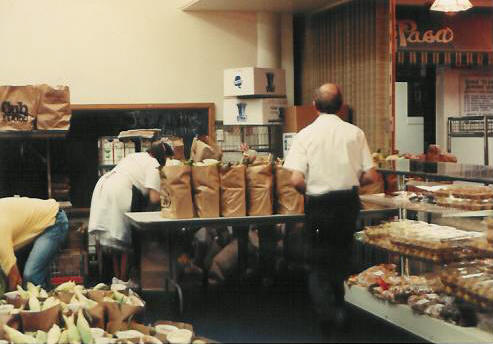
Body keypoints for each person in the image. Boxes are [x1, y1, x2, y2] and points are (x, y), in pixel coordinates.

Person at [284, 83, 378, 328]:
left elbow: (295, 179)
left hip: (319, 206)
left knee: (317, 263)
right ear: (341, 106)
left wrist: (313, 188)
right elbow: (371, 176)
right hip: (348, 204)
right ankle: (340, 308)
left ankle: (329, 315)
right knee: (342, 258)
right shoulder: (355, 133)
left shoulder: (305, 135)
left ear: (314, 105)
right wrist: (349, 180)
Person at [88, 139, 174, 281]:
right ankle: (124, 281)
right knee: (126, 240)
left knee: (115, 242)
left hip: (104, 187)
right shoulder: (154, 164)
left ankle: (117, 280)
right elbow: (153, 198)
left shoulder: (135, 156)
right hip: (120, 191)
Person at [0, 197, 69, 290]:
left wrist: (10, 301)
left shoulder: (1, 234)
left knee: (31, 276)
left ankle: (43, 302)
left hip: (54, 221)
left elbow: (15, 277)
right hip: (33, 226)